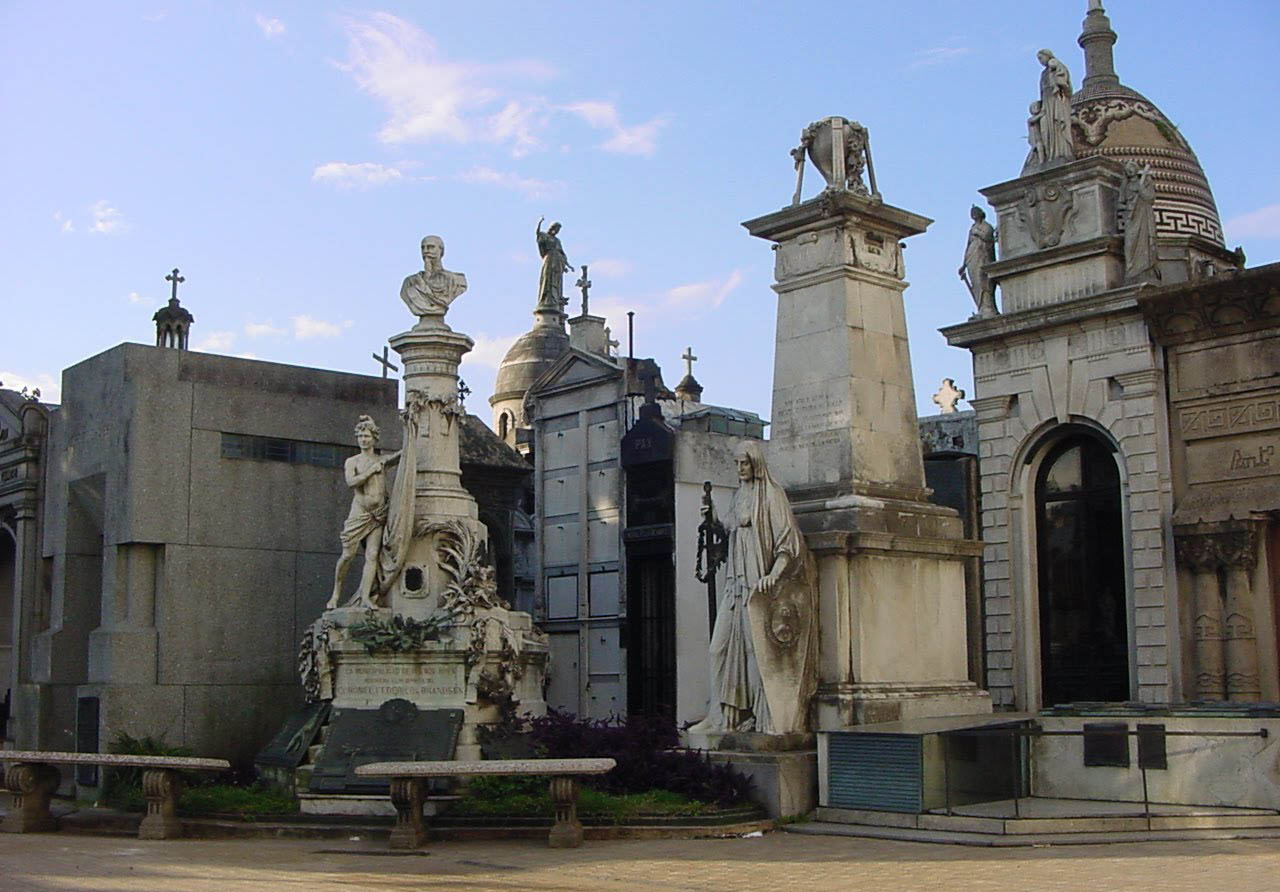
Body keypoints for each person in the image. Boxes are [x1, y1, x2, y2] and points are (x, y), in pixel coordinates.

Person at [689, 441, 813, 735]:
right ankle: (721, 715)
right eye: (736, 464)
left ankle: (761, 716)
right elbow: (730, 528)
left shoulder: (772, 495)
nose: (739, 469)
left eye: (743, 463)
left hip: (758, 588)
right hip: (736, 585)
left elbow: (789, 542)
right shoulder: (739, 495)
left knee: (755, 651)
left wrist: (774, 574)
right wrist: (713, 517)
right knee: (718, 649)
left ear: (755, 463)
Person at [327, 416, 400, 609]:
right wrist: (370, 472)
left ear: (374, 438)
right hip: (360, 513)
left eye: (366, 436)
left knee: (372, 555)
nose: (363, 440)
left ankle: (366, 597)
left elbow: (399, 456)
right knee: (347, 556)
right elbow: (351, 482)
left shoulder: (381, 460)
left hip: (378, 514)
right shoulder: (353, 461)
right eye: (360, 436)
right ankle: (335, 594)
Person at [400, 235, 468, 324]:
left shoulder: (457, 280)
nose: (426, 251)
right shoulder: (410, 282)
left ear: (441, 251)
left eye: (430, 247)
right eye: (423, 248)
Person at [959, 205, 999, 317]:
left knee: (984, 281)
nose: (974, 215)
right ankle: (981, 308)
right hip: (972, 258)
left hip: (983, 256)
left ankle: (988, 308)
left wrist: (978, 233)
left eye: (975, 213)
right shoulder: (972, 228)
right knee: (975, 283)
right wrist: (963, 264)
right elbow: (967, 245)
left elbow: (988, 237)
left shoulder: (987, 226)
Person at [1036, 50, 1074, 163]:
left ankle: (1061, 152)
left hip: (1057, 100)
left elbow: (1064, 84)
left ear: (1048, 56)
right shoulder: (1044, 73)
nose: (1040, 61)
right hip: (1047, 102)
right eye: (1039, 59)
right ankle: (1051, 154)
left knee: (1058, 124)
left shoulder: (1058, 67)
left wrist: (1058, 81)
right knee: (1047, 129)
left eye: (1041, 58)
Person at [535, 218, 573, 313]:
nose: (556, 231)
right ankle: (545, 300)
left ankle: (554, 300)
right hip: (548, 260)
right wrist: (540, 222)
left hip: (557, 262)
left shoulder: (557, 241)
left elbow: (562, 253)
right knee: (547, 280)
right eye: (555, 229)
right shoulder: (545, 236)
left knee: (555, 281)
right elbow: (538, 234)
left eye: (558, 230)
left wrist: (567, 265)